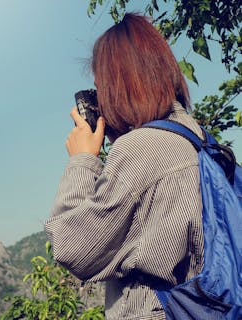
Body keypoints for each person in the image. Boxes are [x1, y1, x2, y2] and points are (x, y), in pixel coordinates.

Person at [44, 13, 204, 320]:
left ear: (118, 84)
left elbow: (72, 248)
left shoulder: (143, 149)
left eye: (101, 87)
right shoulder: (199, 141)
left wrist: (82, 160)